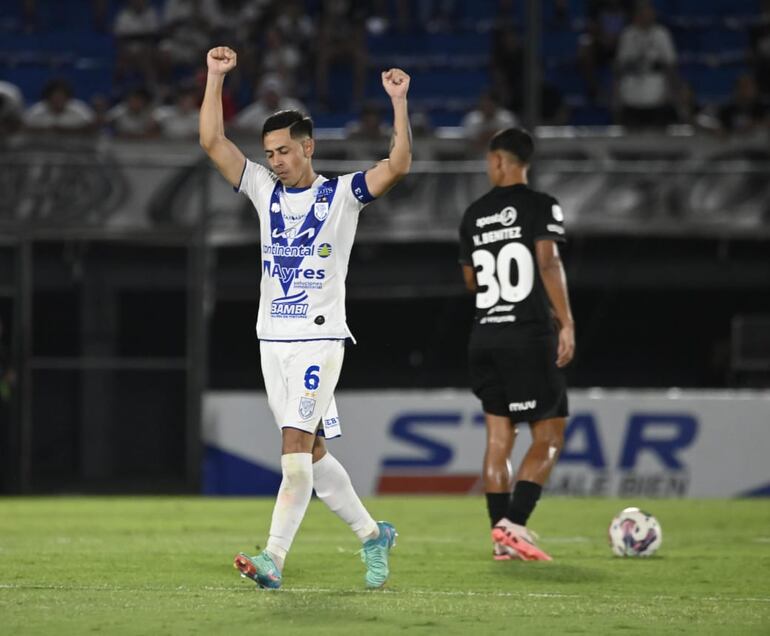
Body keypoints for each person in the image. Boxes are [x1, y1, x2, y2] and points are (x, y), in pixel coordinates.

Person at [199, 46, 412, 589]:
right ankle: (373, 535)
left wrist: (399, 102)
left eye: (284, 151)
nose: (274, 161)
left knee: (293, 450)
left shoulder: (342, 194)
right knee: (313, 456)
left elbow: (398, 165)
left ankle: (272, 558)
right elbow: (212, 142)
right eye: (269, 153)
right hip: (272, 341)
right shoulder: (261, 190)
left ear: (308, 147)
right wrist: (214, 77)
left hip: (320, 340)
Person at [458, 128, 575, 562]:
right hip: (526, 334)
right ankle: (515, 523)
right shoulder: (541, 206)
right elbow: (547, 260)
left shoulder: (473, 214)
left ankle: (499, 539)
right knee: (549, 436)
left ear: (499, 161)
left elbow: (471, 280)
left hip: (484, 334)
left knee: (497, 441)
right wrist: (567, 323)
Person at [613, 0, 678, 128]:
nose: (646, 16)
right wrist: (616, 94)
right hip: (631, 97)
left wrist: (673, 92)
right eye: (642, 12)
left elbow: (670, 65)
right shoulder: (627, 34)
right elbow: (620, 66)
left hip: (657, 96)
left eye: (649, 12)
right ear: (636, 15)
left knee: (658, 140)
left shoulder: (661, 34)